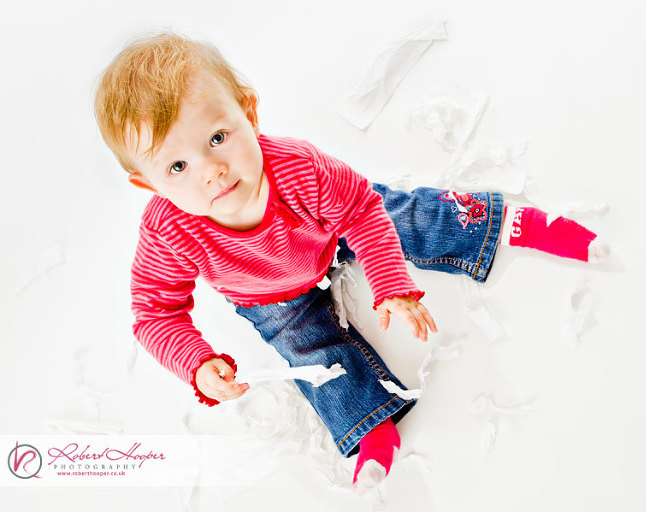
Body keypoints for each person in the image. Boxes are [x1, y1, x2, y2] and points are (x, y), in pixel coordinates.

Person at [93, 32, 608, 493]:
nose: (212, 171)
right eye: (177, 166)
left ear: (248, 113)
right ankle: (371, 429)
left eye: (218, 138)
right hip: (270, 294)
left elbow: (362, 211)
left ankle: (512, 227)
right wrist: (197, 364)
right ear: (149, 183)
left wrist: (389, 284)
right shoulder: (167, 231)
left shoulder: (297, 167)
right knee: (309, 353)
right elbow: (156, 314)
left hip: (329, 228)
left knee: (404, 215)